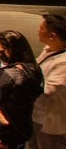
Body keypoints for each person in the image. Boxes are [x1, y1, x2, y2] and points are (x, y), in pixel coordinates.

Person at [0, 31, 44, 149]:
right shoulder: (33, 69)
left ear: (11, 50)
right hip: (20, 129)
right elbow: (8, 92)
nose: (0, 55)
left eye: (1, 51)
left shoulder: (10, 73)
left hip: (2, 132)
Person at [35, 13, 66, 148]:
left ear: (52, 36)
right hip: (37, 115)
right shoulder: (49, 49)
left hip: (52, 122)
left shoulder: (63, 62)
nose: (38, 30)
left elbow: (48, 90)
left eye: (42, 28)